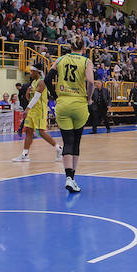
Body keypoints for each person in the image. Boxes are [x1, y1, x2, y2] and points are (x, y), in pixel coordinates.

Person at [45, 34, 95, 193]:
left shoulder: (60, 60)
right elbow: (91, 81)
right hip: (79, 104)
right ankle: (73, 178)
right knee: (76, 142)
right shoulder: (86, 61)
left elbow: (47, 79)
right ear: (84, 48)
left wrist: (54, 94)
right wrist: (89, 97)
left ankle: (68, 178)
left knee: (67, 142)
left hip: (62, 103)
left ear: (69, 47)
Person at [12, 66, 62, 162]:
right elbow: (29, 98)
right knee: (28, 131)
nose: (30, 73)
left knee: (41, 132)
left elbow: (36, 97)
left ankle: (59, 148)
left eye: (32, 71)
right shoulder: (33, 82)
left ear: (37, 72)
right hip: (32, 110)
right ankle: (25, 154)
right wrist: (27, 93)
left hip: (40, 110)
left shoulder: (42, 82)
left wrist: (26, 109)